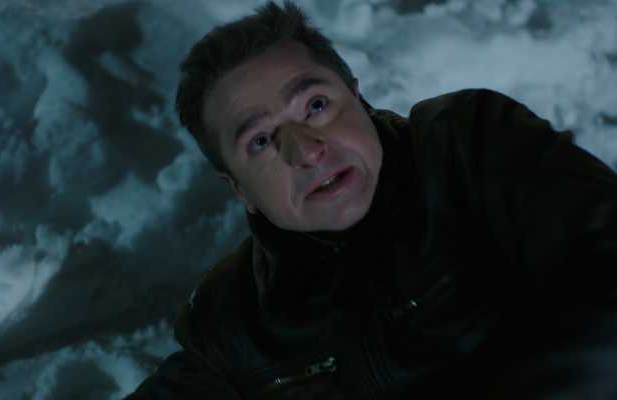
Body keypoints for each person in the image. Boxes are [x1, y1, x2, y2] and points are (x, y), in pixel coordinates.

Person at [126, 2, 617, 399]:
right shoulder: (233, 321)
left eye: (316, 106)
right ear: (239, 189)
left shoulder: (471, 148)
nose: (306, 151)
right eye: (260, 141)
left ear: (359, 100)